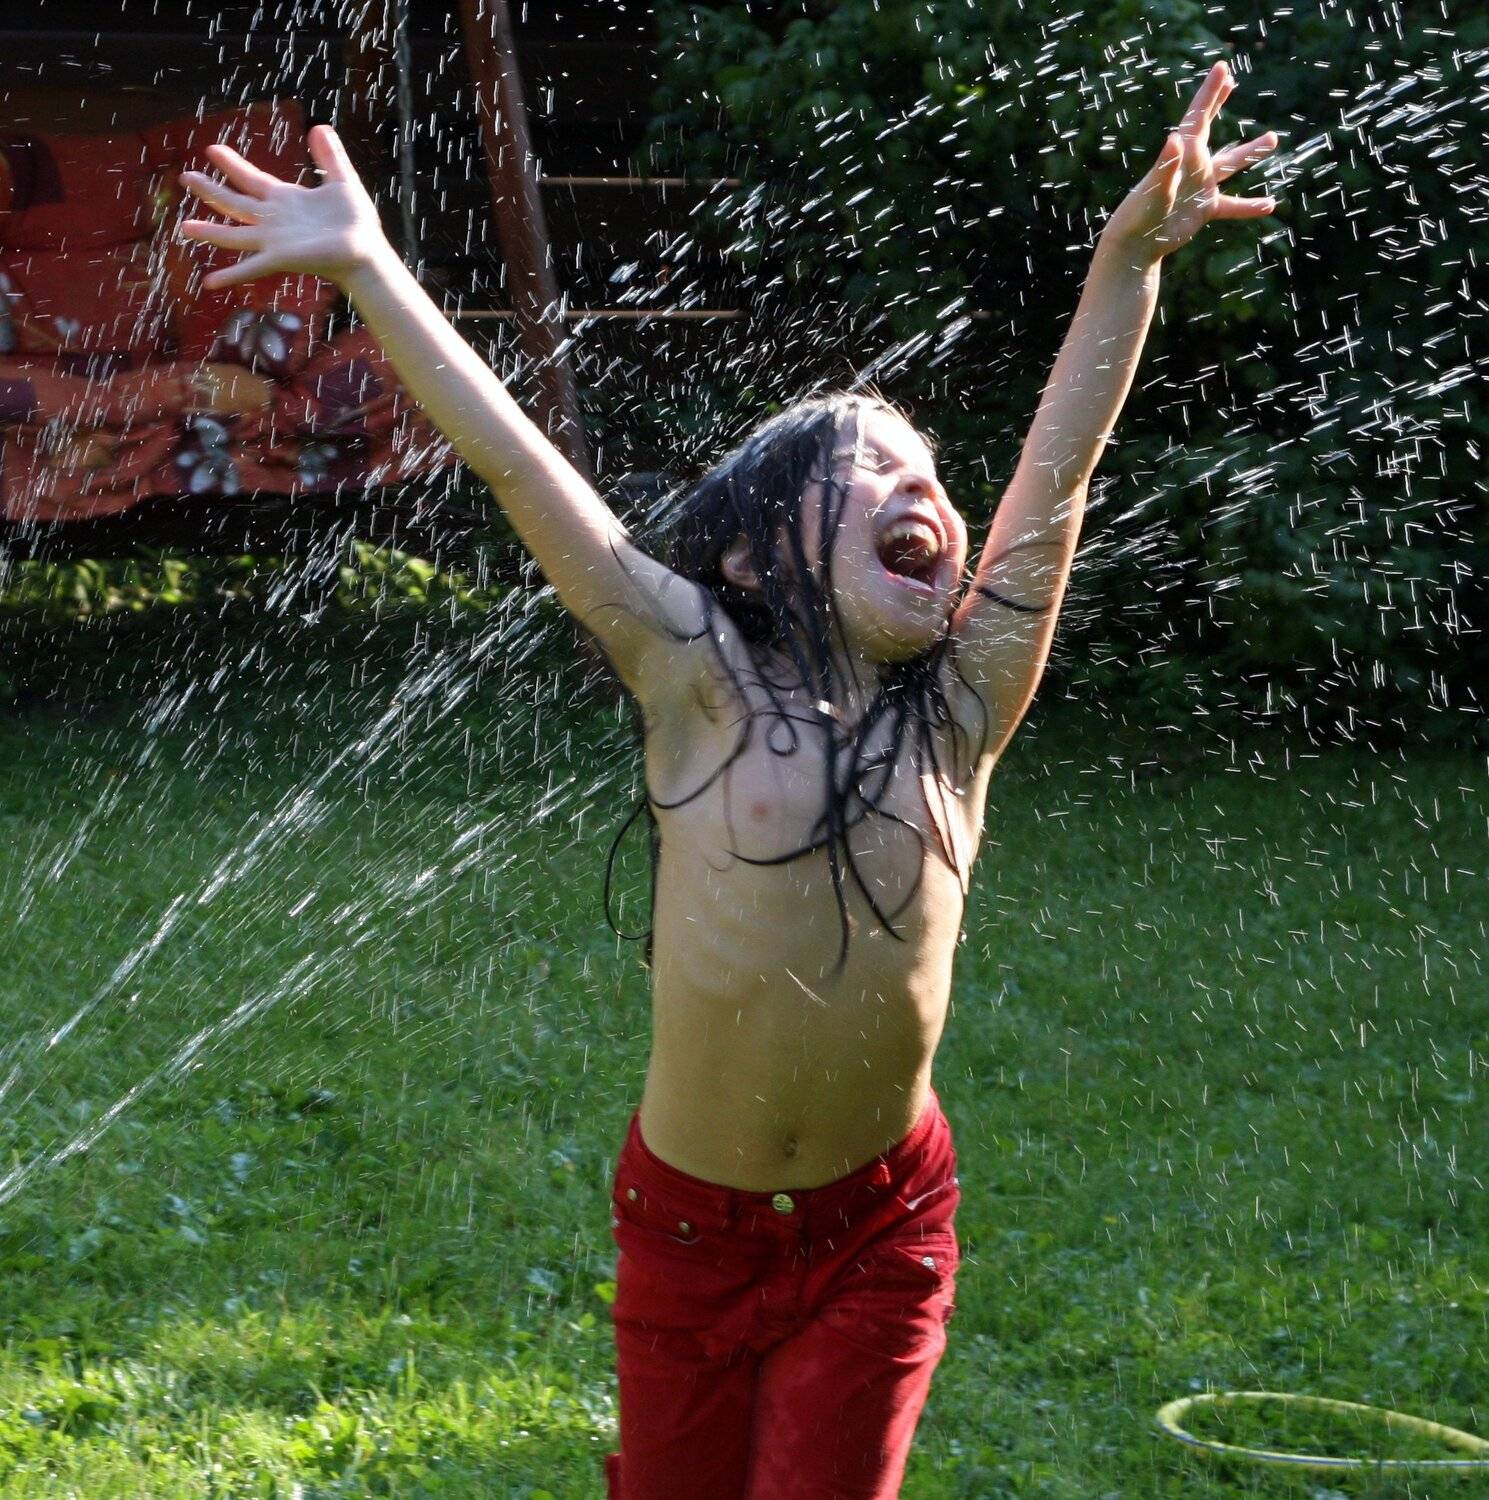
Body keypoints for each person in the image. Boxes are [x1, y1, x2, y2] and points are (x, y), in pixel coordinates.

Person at [180, 58, 1277, 1499]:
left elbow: (1058, 470)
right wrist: (369, 265)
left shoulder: (961, 717)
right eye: (868, 470)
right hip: (692, 1230)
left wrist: (1126, 267)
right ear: (755, 556)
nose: (923, 489)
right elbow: (521, 472)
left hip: (883, 1223)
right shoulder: (697, 688)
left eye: (930, 474)